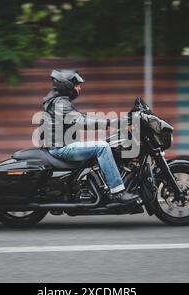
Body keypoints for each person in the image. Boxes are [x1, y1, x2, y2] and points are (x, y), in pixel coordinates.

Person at [41, 69, 139, 204]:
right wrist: (112, 123)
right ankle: (117, 191)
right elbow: (82, 122)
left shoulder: (60, 101)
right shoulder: (60, 103)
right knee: (103, 147)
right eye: (76, 85)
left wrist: (118, 122)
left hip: (62, 145)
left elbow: (82, 117)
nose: (79, 88)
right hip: (61, 148)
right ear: (66, 85)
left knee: (105, 144)